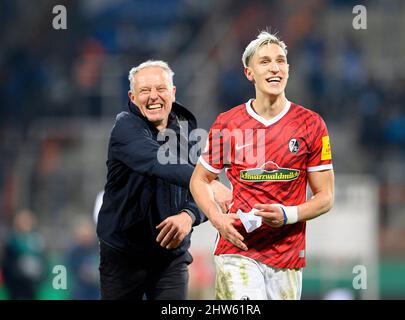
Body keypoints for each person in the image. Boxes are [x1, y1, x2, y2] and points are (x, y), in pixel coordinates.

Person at [189, 31, 335, 300]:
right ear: (249, 73)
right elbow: (199, 180)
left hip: (287, 255)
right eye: (265, 61)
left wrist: (287, 214)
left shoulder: (311, 124)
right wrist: (218, 219)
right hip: (238, 249)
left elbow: (325, 197)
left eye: (280, 61)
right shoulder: (228, 123)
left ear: (288, 69)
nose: (275, 67)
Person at [96, 60, 231, 300]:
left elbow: (199, 197)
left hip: (170, 259)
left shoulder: (187, 135)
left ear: (173, 92)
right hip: (123, 257)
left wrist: (188, 216)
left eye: (160, 89)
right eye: (145, 91)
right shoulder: (125, 127)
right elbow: (157, 161)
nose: (153, 97)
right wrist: (207, 182)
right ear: (132, 96)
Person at [1, 209, 47, 299]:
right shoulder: (12, 241)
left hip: (31, 285)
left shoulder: (36, 241)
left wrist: (39, 277)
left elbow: (43, 262)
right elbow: (7, 264)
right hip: (16, 285)